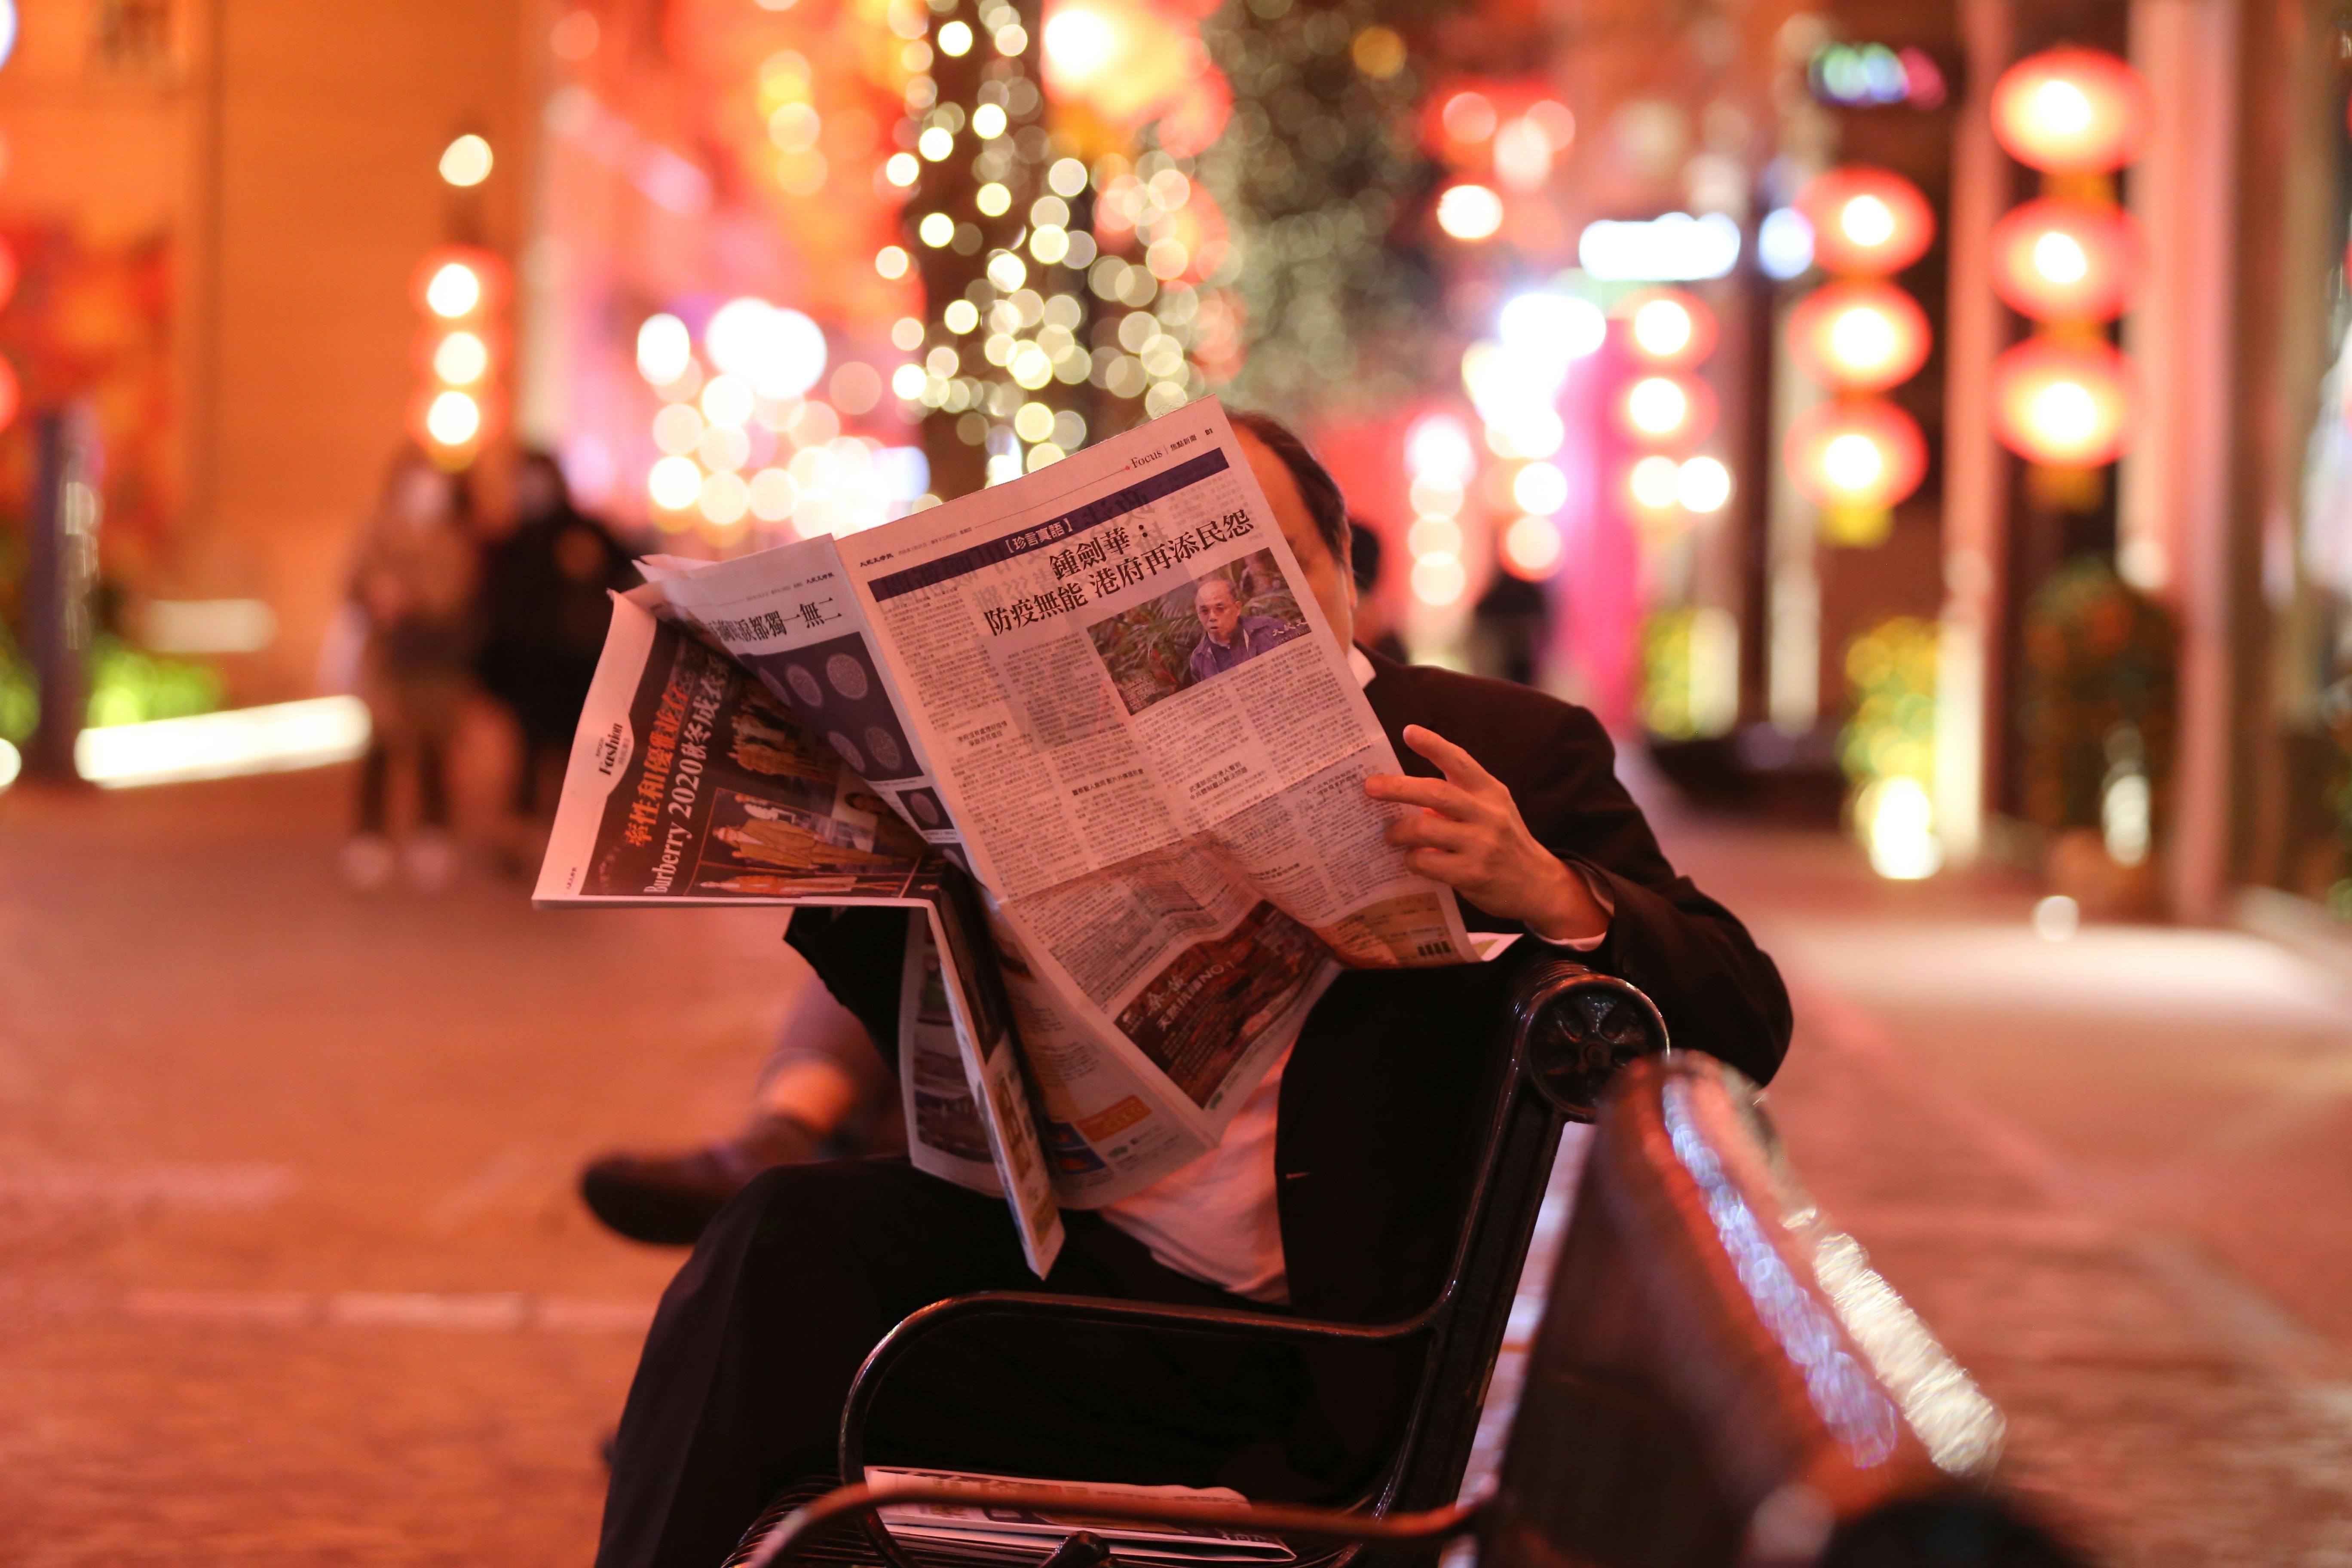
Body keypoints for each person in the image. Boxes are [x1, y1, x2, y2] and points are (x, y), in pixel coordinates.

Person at [593, 411, 1792, 1568]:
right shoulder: (1063, 744)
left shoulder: (1498, 747)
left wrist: (1547, 887)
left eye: (1257, 564)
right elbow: (920, 1022)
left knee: (763, 1347)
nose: (1219, 607)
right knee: (775, 1249)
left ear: (1339, 575)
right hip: (1077, 1285)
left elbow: (1745, 1016)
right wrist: (864, 840)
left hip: (1305, 1346)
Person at [476, 450, 639, 835]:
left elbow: (626, 569)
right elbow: (496, 601)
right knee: (528, 749)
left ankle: (574, 830)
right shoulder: (512, 538)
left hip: (576, 662)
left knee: (575, 749)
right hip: (528, 665)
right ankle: (525, 825)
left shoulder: (582, 530)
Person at [342, 450, 481, 893]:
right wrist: (375, 593)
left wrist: (411, 598)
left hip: (433, 663)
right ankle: (370, 838)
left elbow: (455, 593)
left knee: (433, 748)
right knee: (380, 747)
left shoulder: (452, 539)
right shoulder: (378, 530)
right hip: (387, 660)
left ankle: (433, 834)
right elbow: (352, 580)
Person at [1186, 575, 1300, 683]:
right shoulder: (1199, 659)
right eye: (1204, 611)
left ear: (1237, 608)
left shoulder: (1271, 629)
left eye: (1220, 608)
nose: (1212, 617)